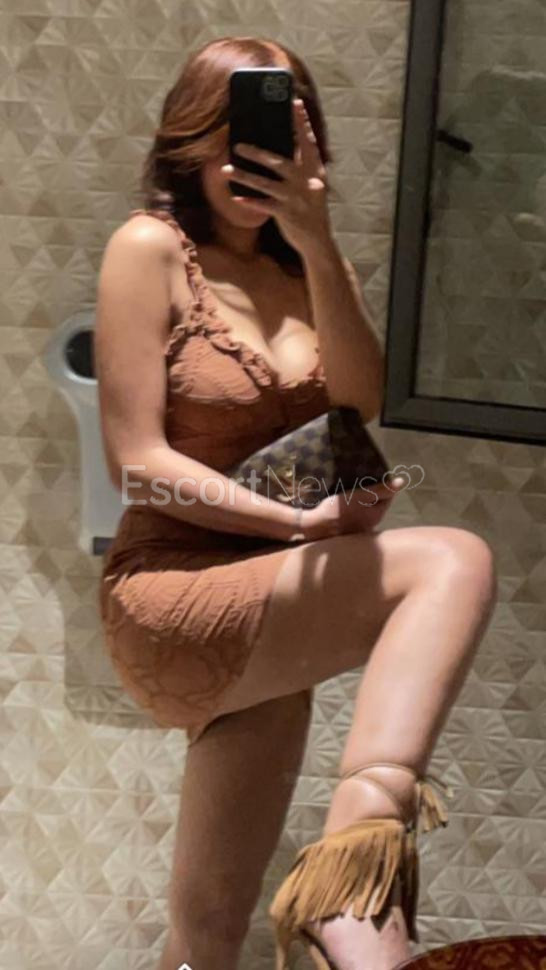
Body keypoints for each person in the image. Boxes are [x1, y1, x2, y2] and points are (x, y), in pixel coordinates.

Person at [95, 35, 498, 970]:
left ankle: (337, 908)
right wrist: (297, 523)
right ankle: (358, 866)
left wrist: (316, 241)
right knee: (453, 560)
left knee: (207, 929)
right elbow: (135, 464)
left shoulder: (307, 269)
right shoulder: (151, 249)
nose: (249, 160)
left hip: (269, 591)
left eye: (276, 139)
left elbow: (358, 400)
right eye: (229, 137)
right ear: (190, 141)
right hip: (170, 591)